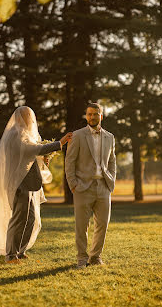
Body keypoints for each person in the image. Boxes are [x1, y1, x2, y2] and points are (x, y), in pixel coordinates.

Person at [0, 106, 72, 264]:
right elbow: (29, 150)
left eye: (31, 116)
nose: (31, 119)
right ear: (20, 117)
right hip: (19, 183)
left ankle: (20, 250)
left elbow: (29, 156)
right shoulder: (14, 133)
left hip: (30, 183)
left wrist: (42, 158)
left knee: (31, 218)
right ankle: (10, 255)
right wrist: (59, 143)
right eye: (27, 116)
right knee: (19, 219)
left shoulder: (25, 133)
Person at [65, 102, 116, 269]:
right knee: (81, 226)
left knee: (102, 224)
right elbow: (69, 162)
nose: (92, 117)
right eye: (89, 114)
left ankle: (95, 257)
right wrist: (73, 184)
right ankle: (81, 258)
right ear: (86, 116)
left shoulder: (110, 137)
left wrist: (111, 180)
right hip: (82, 187)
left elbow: (112, 161)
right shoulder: (78, 135)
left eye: (95, 114)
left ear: (101, 116)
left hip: (103, 186)